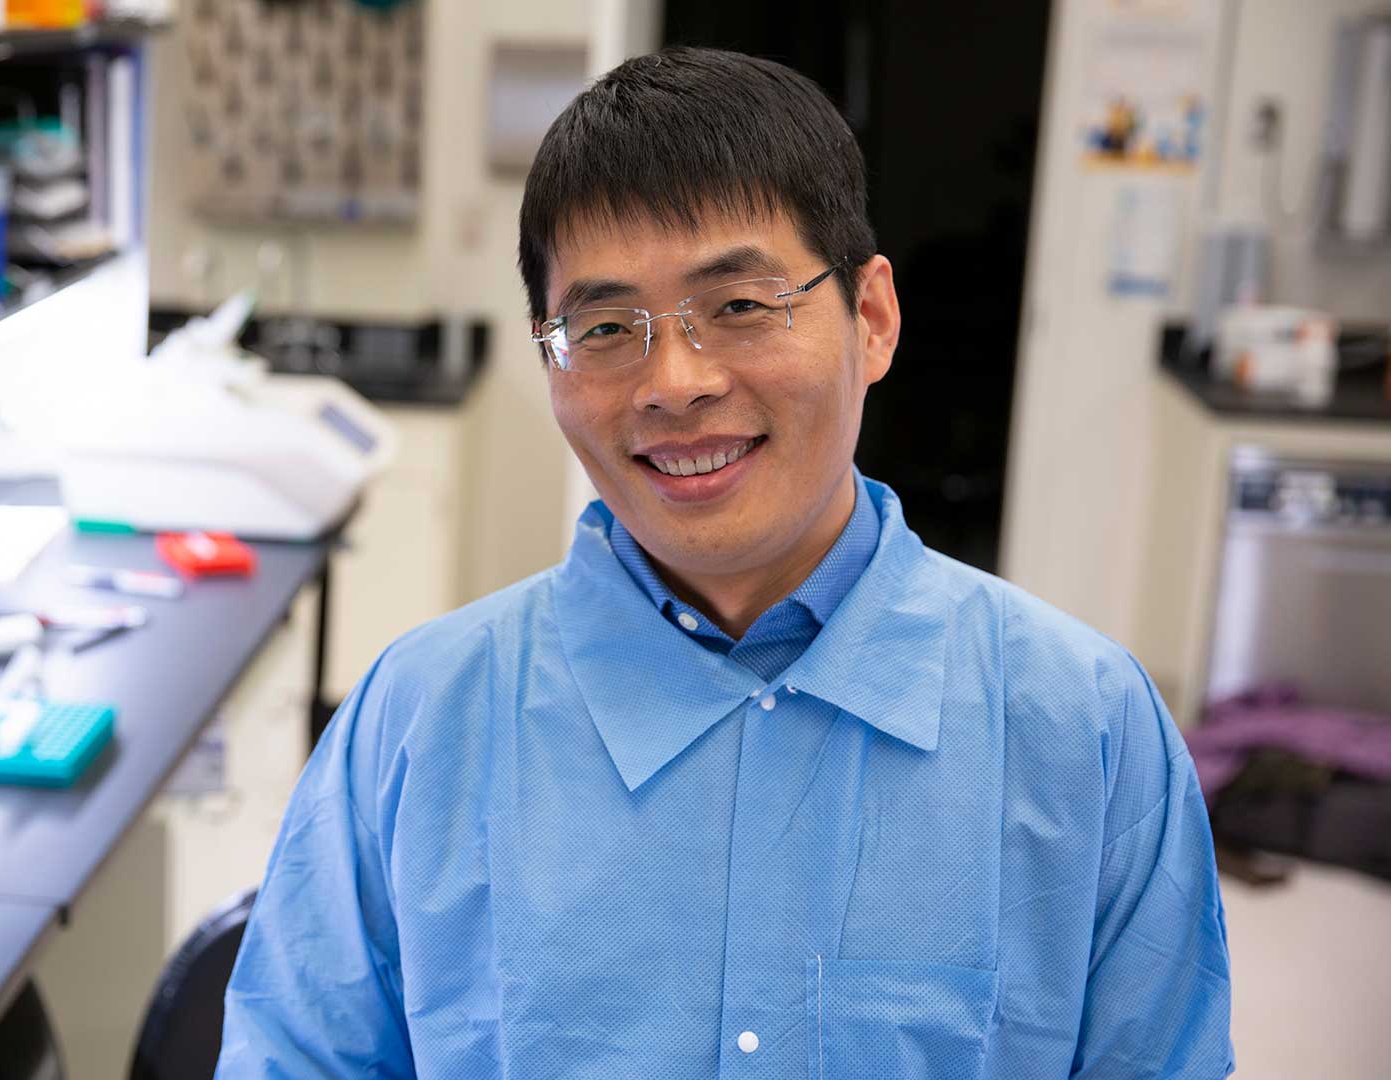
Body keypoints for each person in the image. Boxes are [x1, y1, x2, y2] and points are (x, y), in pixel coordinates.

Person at [217, 47, 1233, 1079]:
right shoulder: (418, 725)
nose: (675, 382)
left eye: (740, 306)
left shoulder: (1085, 730)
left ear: (871, 319)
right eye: (606, 327)